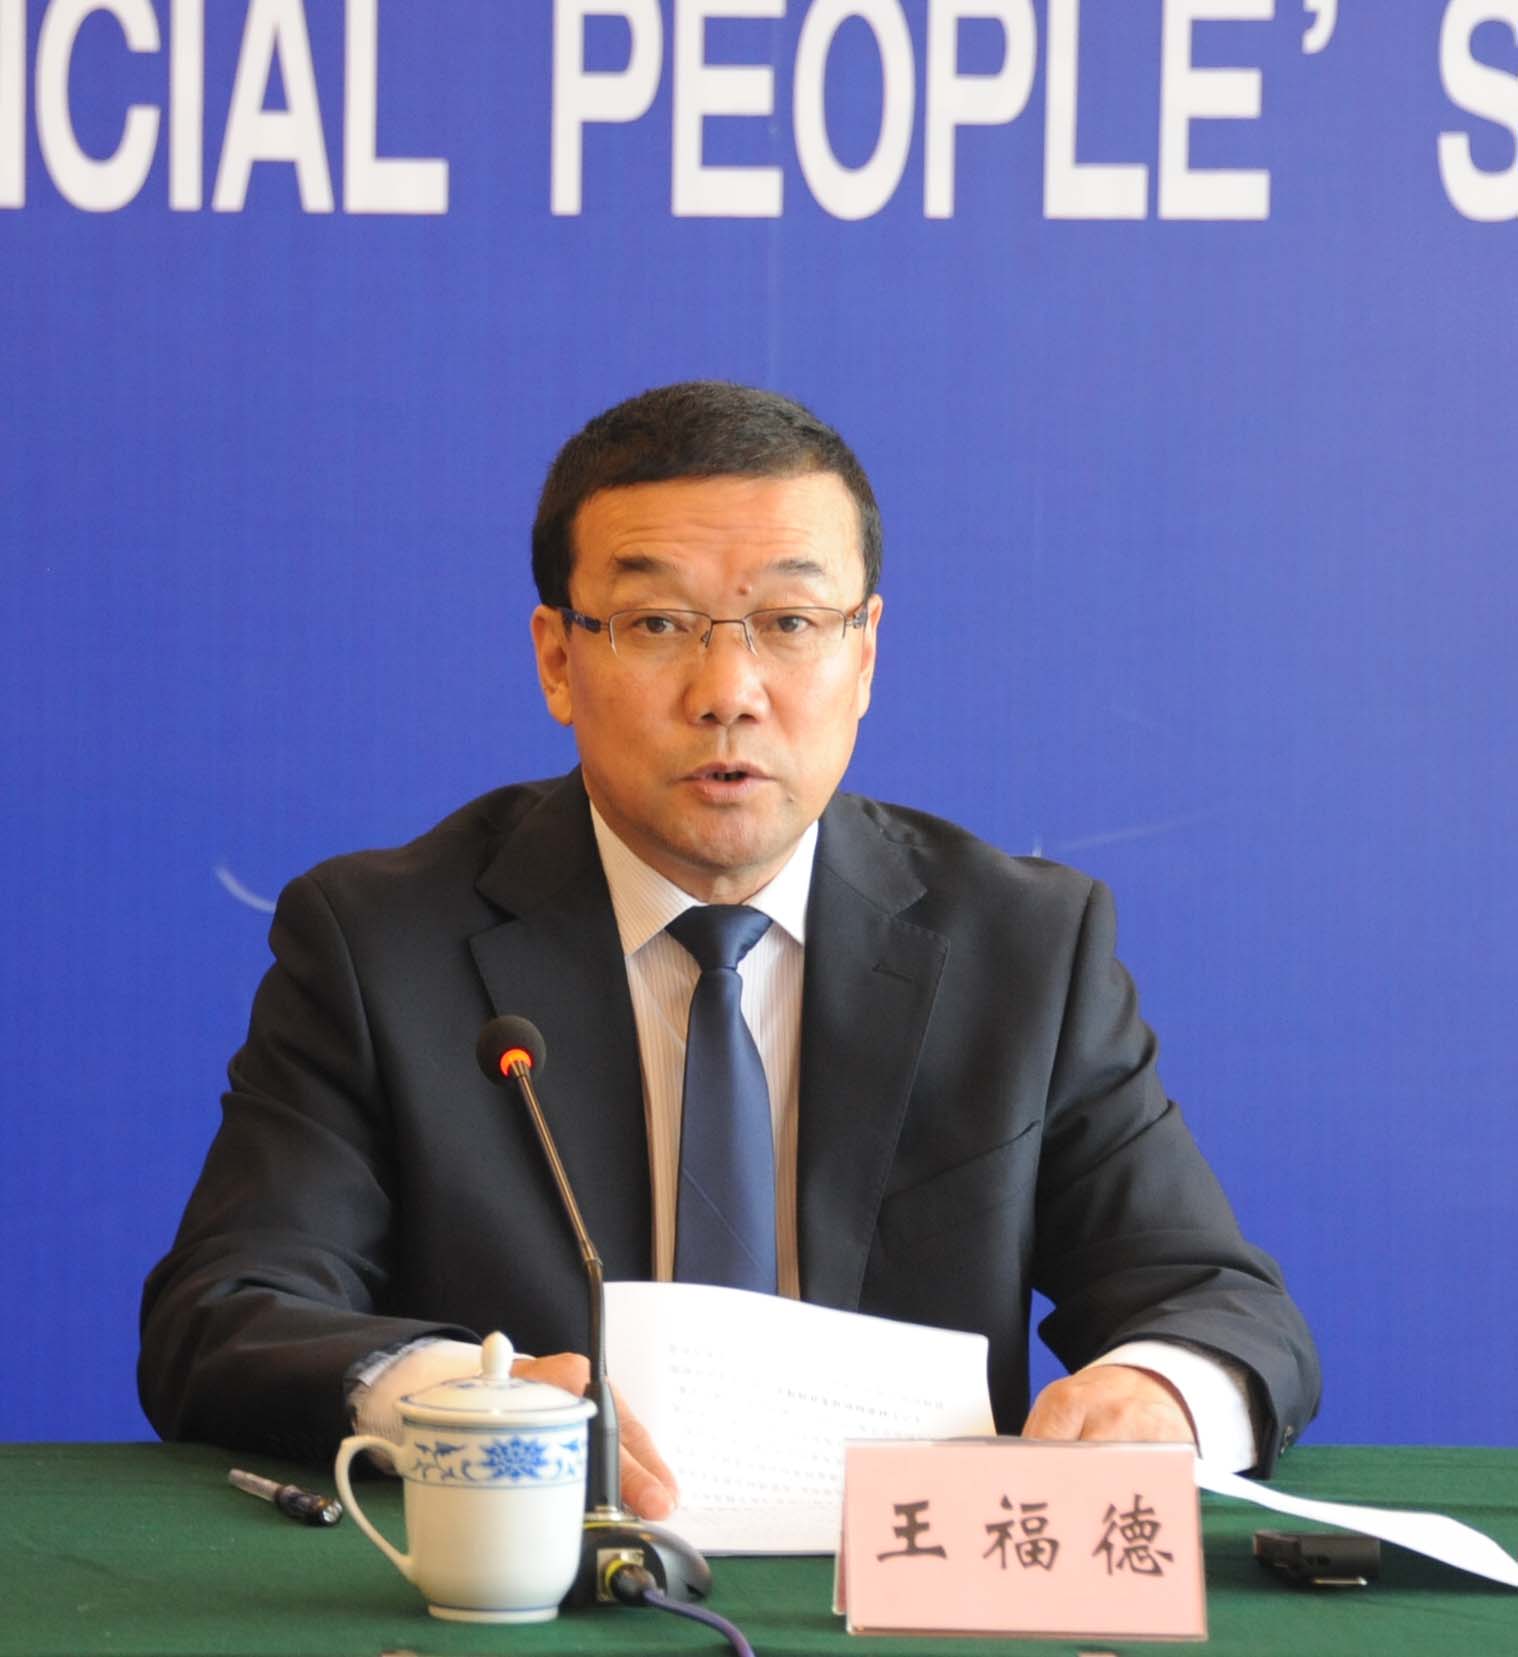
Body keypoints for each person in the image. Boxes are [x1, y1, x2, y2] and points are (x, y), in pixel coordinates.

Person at [139, 382, 1320, 1516]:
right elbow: (229, 1310)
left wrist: (1162, 1392)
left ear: (865, 654)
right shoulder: (383, 944)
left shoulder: (1023, 948)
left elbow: (1218, 1301)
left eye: (791, 624)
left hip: (907, 1584)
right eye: (657, 624)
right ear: (557, 659)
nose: (728, 691)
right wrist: (463, 1400)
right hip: (544, 1579)